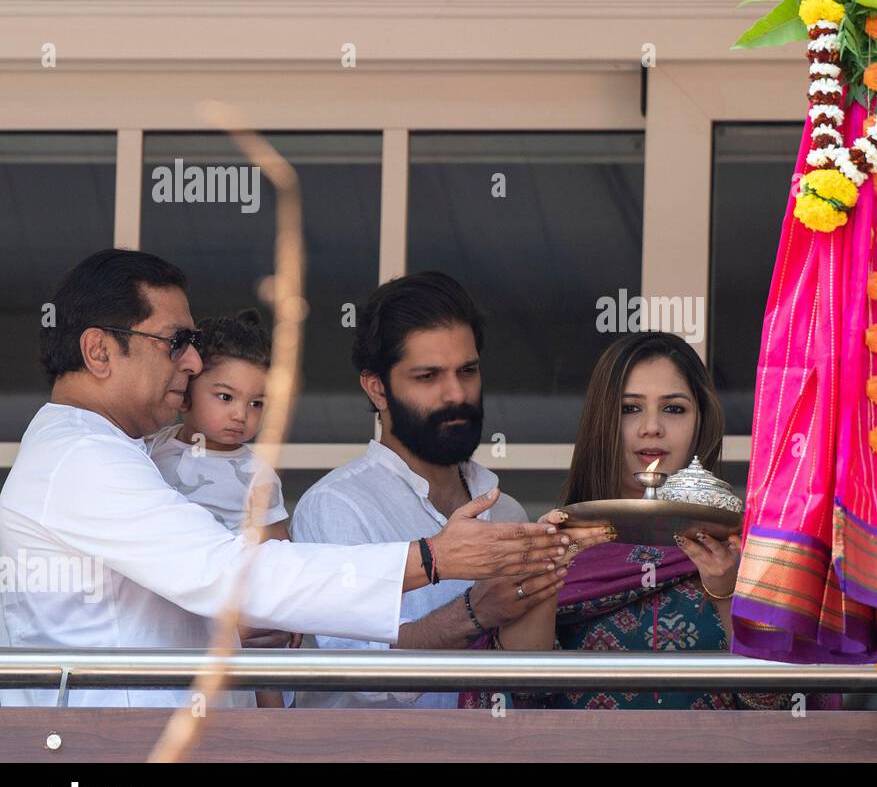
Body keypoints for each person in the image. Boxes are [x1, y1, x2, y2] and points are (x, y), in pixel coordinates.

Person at [0, 249, 583, 708]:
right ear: (99, 351)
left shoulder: (114, 449)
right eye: (176, 341)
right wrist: (432, 558)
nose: (195, 362)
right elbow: (231, 574)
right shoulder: (81, 457)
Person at [292, 271, 613, 710]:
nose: (456, 393)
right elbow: (360, 673)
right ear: (377, 388)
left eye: (468, 370)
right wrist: (475, 611)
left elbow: (525, 682)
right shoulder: (336, 506)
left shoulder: (507, 510)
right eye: (428, 376)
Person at [487, 331, 792, 710]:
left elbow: (774, 703)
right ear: (603, 421)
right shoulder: (560, 541)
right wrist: (548, 568)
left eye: (674, 409)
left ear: (701, 422)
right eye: (630, 408)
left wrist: (727, 589)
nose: (652, 427)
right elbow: (524, 694)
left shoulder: (741, 547)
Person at [146, 307, 297, 708]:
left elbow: (277, 558)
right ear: (188, 391)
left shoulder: (257, 473)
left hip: (235, 637)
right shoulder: (146, 453)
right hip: (160, 635)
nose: (240, 415)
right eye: (226, 397)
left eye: (257, 404)